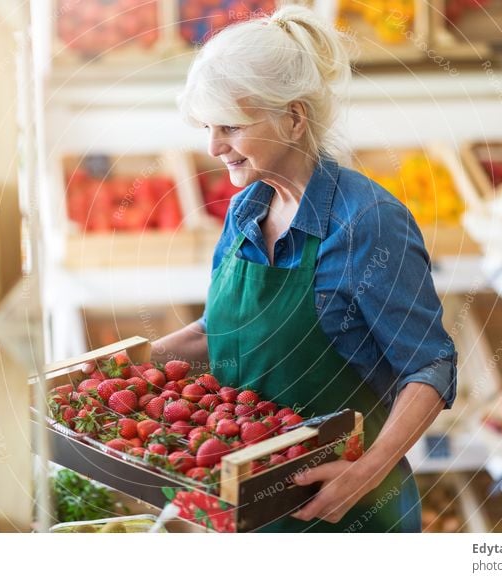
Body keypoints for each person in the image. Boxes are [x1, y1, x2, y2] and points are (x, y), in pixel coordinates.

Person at [90, 5, 457, 532]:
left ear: (294, 117)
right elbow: (220, 332)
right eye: (207, 127)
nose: (213, 147)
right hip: (247, 512)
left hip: (346, 512)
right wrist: (111, 373)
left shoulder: (369, 224)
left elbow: (431, 366)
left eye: (231, 127)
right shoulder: (246, 210)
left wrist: (366, 474)